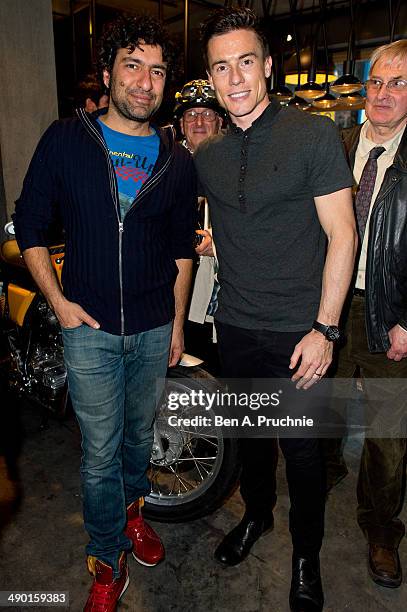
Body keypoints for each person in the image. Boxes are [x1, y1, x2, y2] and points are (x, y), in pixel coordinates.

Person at [13, 14, 196, 612]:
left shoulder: (175, 158)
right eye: (133, 66)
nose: (145, 82)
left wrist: (174, 324)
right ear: (109, 72)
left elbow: (179, 249)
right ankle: (105, 555)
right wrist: (59, 303)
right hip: (87, 330)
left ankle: (135, 514)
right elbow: (30, 222)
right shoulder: (66, 139)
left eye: (158, 70)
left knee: (139, 441)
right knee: (99, 453)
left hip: (149, 328)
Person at [195, 8, 357, 612]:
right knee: (252, 443)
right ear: (210, 77)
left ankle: (307, 556)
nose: (234, 78)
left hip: (299, 330)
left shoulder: (312, 135)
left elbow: (343, 235)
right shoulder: (207, 153)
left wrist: (325, 330)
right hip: (235, 326)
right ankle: (257, 517)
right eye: (221, 66)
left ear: (267, 66)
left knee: (304, 454)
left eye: (245, 62)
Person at [324, 39, 407, 590]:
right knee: (319, 405)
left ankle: (380, 528)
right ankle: (323, 472)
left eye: (398, 83)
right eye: (376, 81)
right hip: (330, 308)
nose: (383, 93)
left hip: (392, 316)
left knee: (388, 435)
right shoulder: (337, 144)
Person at [173, 79, 224, 366]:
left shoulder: (237, 164)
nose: (199, 121)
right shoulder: (167, 164)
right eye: (191, 115)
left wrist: (217, 244)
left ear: (219, 121)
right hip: (172, 293)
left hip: (221, 295)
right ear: (181, 124)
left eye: (207, 114)